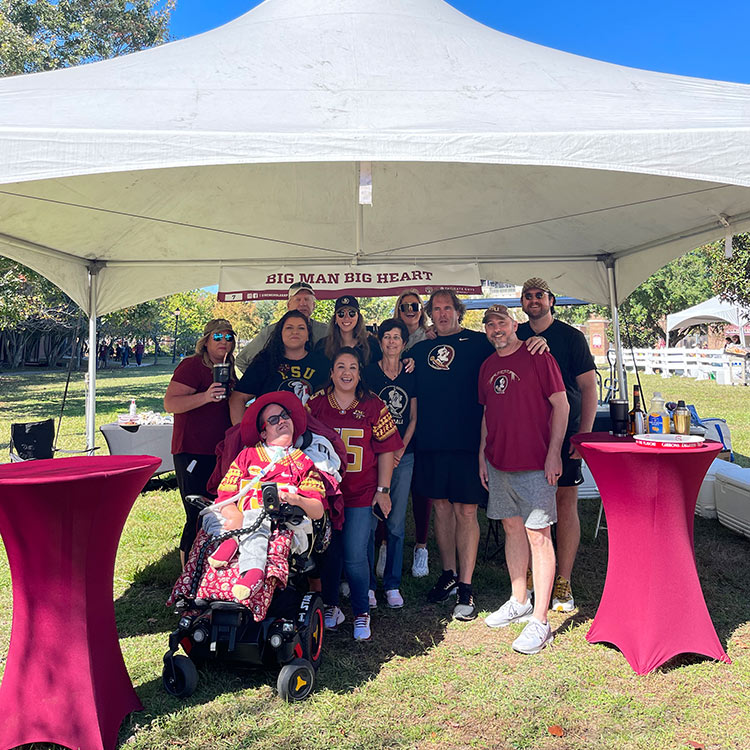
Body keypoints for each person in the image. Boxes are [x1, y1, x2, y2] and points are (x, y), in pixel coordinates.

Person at [410, 289, 548, 621]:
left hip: (469, 443)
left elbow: (509, 342)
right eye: (437, 309)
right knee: (440, 509)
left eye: (448, 308)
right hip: (431, 441)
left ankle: (466, 587)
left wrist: (536, 341)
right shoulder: (420, 348)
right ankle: (448, 573)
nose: (442, 313)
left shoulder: (478, 343)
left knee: (466, 511)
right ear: (430, 314)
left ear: (459, 312)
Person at [478, 304, 569, 654]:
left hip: (535, 462)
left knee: (539, 535)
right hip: (499, 462)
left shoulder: (538, 356)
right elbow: (488, 413)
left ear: (514, 325)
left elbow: (561, 405)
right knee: (513, 529)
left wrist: (554, 452)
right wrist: (482, 455)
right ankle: (519, 600)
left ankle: (541, 621)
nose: (496, 329)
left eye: (501, 322)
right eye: (490, 325)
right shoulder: (487, 366)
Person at [308, 347, 402, 641]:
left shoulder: (374, 404)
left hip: (361, 493)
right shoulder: (316, 404)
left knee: (354, 555)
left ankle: (362, 612)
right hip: (326, 494)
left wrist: (383, 490)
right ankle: (333, 606)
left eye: (352, 367)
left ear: (359, 373)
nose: (346, 373)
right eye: (340, 366)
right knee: (329, 553)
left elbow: (387, 450)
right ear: (332, 372)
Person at [516, 277, 597, 612]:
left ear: (551, 300)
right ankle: (535, 573)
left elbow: (589, 389)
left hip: (564, 435)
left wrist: (584, 434)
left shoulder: (571, 337)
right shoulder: (516, 336)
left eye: (539, 295)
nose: (533, 300)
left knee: (565, 503)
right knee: (530, 508)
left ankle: (563, 579)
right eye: (527, 296)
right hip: (526, 435)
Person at [206, 392, 326, 601]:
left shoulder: (303, 463)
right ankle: (199, 597)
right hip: (236, 517)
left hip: (276, 522)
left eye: (285, 416)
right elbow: (225, 494)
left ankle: (252, 572)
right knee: (209, 517)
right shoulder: (247, 455)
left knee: (256, 518)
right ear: (263, 433)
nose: (281, 421)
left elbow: (317, 510)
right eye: (273, 420)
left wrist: (294, 498)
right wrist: (235, 518)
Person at [164, 319, 236, 568]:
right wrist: (205, 396)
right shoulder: (191, 366)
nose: (224, 342)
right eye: (218, 337)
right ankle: (187, 574)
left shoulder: (228, 367)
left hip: (220, 452)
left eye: (229, 337)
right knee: (196, 513)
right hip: (193, 450)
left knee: (217, 512)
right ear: (205, 341)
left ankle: (208, 569)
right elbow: (170, 403)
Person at [364, 319, 417, 608]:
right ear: (380, 341)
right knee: (371, 522)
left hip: (404, 457)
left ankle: (392, 584)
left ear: (404, 343)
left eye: (397, 337)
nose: (392, 342)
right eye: (387, 337)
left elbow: (415, 417)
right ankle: (369, 585)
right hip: (374, 456)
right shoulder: (370, 373)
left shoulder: (411, 372)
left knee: (396, 522)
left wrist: (399, 448)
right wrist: (385, 451)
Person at [229, 310, 330, 424]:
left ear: (308, 335)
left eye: (301, 328)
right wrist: (242, 435)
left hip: (312, 434)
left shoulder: (321, 363)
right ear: (280, 333)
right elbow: (237, 398)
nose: (295, 332)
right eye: (289, 328)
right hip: (273, 434)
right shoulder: (265, 361)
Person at [234, 282, 328, 375]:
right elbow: (242, 360)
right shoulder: (271, 331)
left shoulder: (325, 331)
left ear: (314, 305)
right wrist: (260, 383)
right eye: (297, 299)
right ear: (288, 306)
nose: (303, 303)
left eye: (307, 299)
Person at [316, 295, 382, 366]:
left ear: (358, 317)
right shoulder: (322, 345)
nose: (346, 317)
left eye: (352, 313)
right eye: (341, 313)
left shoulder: (371, 344)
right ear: (335, 318)